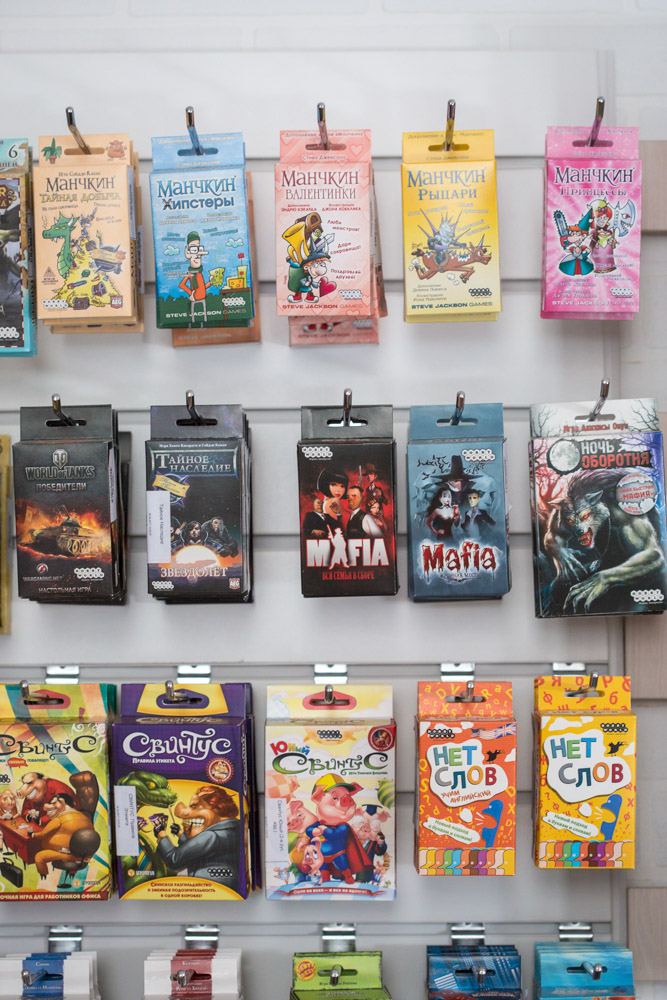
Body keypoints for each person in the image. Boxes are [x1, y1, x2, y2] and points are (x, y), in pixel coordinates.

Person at [178, 231, 211, 323]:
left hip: (203, 296)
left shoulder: (199, 273)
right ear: (188, 254)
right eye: (193, 248)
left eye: (198, 248)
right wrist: (191, 293)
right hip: (195, 297)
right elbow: (181, 285)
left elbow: (202, 287)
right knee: (194, 317)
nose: (197, 257)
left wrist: (210, 282)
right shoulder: (190, 273)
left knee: (205, 315)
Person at [317, 468, 348, 536]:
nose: (338, 490)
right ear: (325, 484)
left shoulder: (325, 503)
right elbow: (349, 522)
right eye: (333, 485)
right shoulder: (334, 501)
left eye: (342, 486)